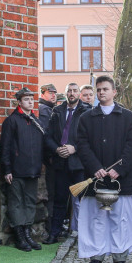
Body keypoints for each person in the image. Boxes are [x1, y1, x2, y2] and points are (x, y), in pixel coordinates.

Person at [75, 76, 132, 263]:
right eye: (99, 90)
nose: (101, 92)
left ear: (114, 92)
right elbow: (82, 144)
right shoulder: (86, 118)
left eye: (105, 89)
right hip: (95, 178)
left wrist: (119, 169)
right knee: (96, 219)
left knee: (119, 219)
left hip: (120, 179)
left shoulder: (128, 117)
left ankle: (119, 257)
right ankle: (96, 256)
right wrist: (95, 166)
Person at [0, 87, 46, 251]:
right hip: (17, 170)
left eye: (32, 99)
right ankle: (19, 235)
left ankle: (27, 233)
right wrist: (7, 169)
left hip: (32, 170)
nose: (30, 102)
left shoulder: (36, 121)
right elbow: (4, 148)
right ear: (19, 102)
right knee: (16, 203)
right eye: (26, 99)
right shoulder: (12, 121)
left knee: (30, 202)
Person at [44, 82, 88, 243]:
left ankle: (85, 236)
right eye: (69, 91)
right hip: (60, 163)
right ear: (66, 93)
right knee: (59, 200)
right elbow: (47, 136)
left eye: (75, 91)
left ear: (79, 94)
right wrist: (57, 149)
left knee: (83, 201)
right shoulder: (57, 111)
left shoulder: (86, 111)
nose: (72, 93)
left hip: (79, 164)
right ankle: (54, 233)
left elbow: (89, 138)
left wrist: (74, 148)